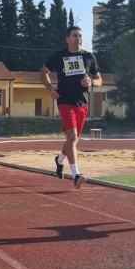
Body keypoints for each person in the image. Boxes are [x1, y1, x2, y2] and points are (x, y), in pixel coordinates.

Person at [41, 26, 102, 189]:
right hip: (64, 101)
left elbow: (98, 79)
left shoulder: (89, 57)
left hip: (82, 103)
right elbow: (43, 72)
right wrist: (50, 89)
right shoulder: (59, 56)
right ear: (67, 39)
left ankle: (59, 160)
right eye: (75, 36)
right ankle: (76, 175)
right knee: (73, 137)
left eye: (80, 36)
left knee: (71, 140)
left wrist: (92, 82)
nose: (78, 39)